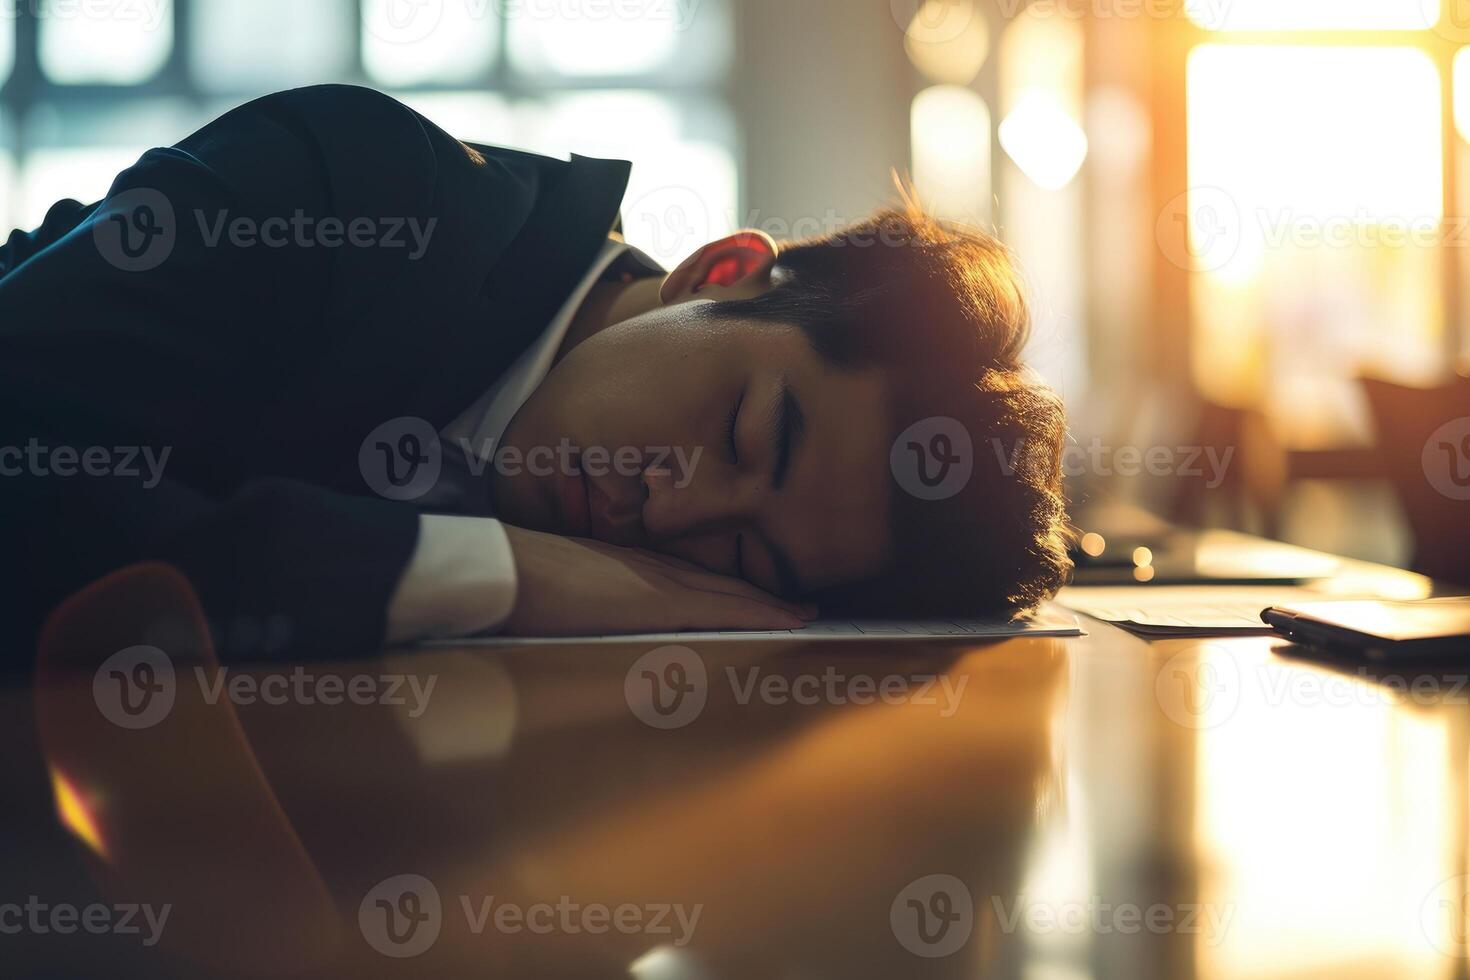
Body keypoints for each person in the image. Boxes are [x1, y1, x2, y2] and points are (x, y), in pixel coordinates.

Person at [0, 84, 1070, 667]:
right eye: (740, 430)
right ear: (725, 270)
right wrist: (504, 572)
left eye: (742, 551)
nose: (673, 506)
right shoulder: (345, 185)